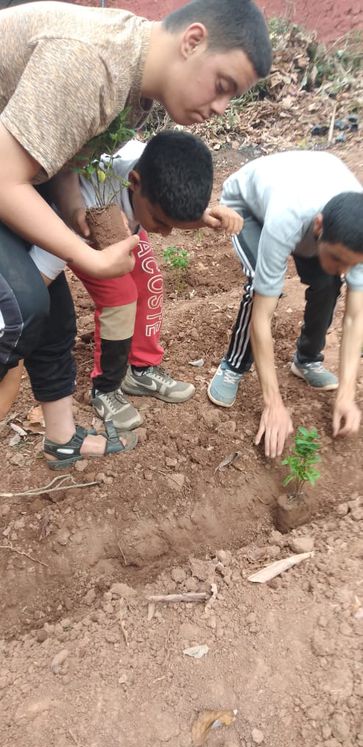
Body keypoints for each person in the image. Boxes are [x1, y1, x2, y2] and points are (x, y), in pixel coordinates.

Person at [0, 0, 272, 463]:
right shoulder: (93, 64)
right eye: (223, 85)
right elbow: (5, 178)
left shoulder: (136, 90)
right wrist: (88, 257)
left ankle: (62, 440)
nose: (221, 108)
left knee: (53, 317)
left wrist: (68, 198)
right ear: (192, 41)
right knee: (20, 309)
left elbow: (61, 147)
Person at [30, 131, 242, 433]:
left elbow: (167, 209)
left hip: (124, 221)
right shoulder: (90, 203)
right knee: (121, 297)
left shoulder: (154, 166)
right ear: (134, 182)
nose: (166, 234)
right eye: (161, 223)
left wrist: (203, 217)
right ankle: (105, 388)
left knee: (149, 280)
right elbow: (36, 278)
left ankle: (140, 370)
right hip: (86, 230)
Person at [207, 151, 363, 457]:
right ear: (319, 227)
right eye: (337, 258)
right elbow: (262, 318)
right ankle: (233, 366)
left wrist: (347, 394)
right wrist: (273, 403)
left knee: (329, 281)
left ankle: (307, 360)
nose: (344, 267)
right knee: (260, 287)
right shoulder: (287, 218)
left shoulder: (356, 234)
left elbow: (355, 318)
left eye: (351, 264)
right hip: (248, 209)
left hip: (305, 201)